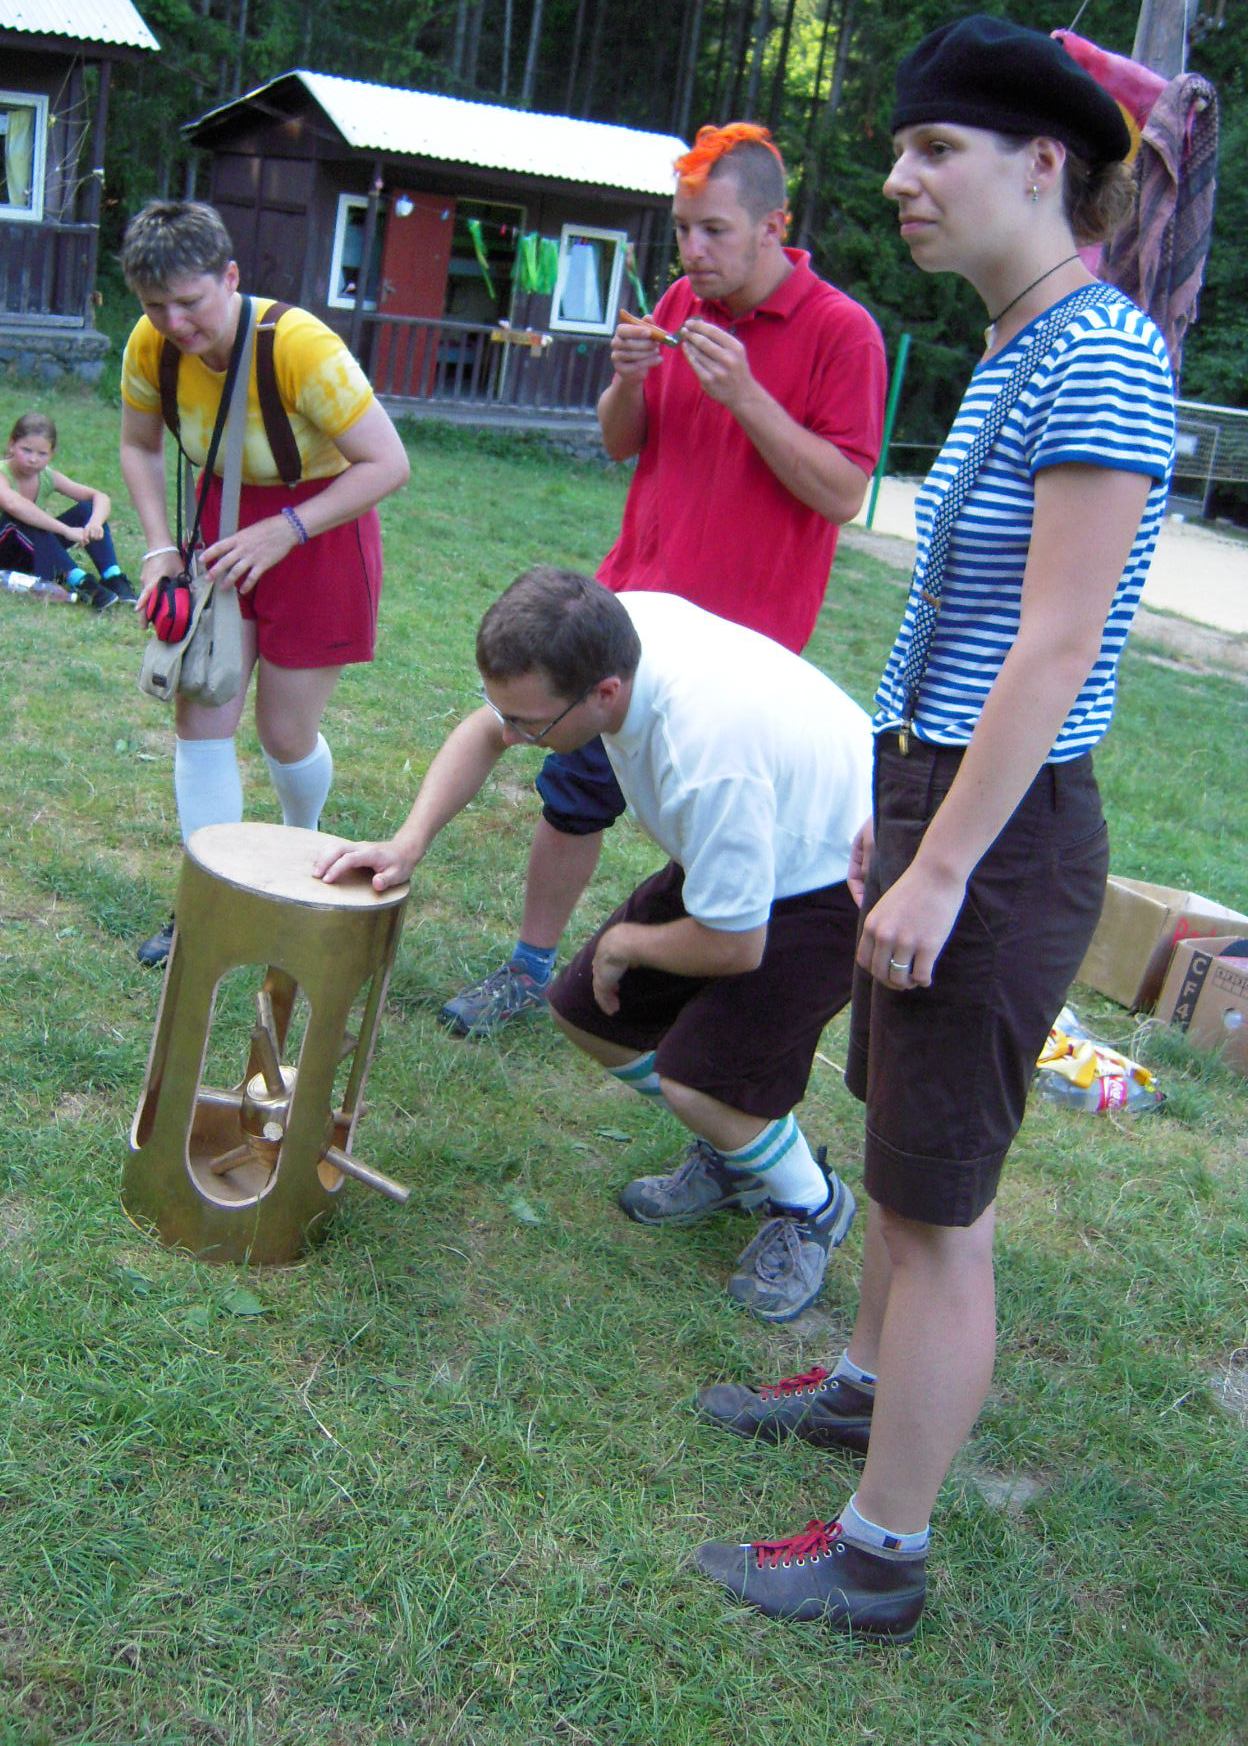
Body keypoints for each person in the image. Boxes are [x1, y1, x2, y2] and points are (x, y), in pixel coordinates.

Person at [692, 15, 1176, 1642]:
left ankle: (880, 1557)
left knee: (938, 1207)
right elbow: (959, 623)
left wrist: (947, 858)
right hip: (935, 794)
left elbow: (1056, 644)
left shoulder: (1100, 350)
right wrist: (886, 812)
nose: (897, 178)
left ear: (1042, 163)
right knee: (901, 1151)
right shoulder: (1019, 342)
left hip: (1003, 825)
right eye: (902, 148)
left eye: (932, 149)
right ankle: (857, 1387)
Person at [316, 568, 874, 1322]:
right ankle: (740, 1155)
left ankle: (811, 1204)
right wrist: (407, 844)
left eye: (529, 724)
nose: (513, 736)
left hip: (836, 875)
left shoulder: (706, 757)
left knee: (701, 1082)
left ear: (605, 694)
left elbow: (737, 945)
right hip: (752, 842)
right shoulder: (605, 638)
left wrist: (628, 945)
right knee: (586, 1013)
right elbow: (486, 729)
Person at [440, 122, 886, 1040]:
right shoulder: (684, 302)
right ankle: (529, 969)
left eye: (713, 230)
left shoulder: (842, 332)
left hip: (734, 648)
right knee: (572, 795)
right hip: (626, 611)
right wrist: (626, 383)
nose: (691, 251)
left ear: (773, 227)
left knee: (708, 834)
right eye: (683, 229)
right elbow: (621, 443)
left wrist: (747, 397)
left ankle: (701, 999)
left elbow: (843, 492)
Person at [118, 201, 410, 967]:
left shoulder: (299, 345)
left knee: (285, 733)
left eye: (190, 301)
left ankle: (298, 850)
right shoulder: (151, 344)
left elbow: (389, 463)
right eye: (155, 306)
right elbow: (139, 446)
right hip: (219, 525)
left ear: (230, 277)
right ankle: (208, 909)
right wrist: (159, 549)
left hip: (321, 530)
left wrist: (289, 529)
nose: (173, 322)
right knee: (202, 710)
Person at [0, 412, 135, 609]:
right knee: (24, 517)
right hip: (5, 553)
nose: (33, 459)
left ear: (52, 453)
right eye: (26, 450)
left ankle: (113, 577)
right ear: (12, 444)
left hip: (29, 553)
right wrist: (65, 530)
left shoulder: (47, 476)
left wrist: (94, 523)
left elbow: (100, 497)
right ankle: (81, 582)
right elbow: (14, 505)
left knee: (88, 509)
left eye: (42, 454)